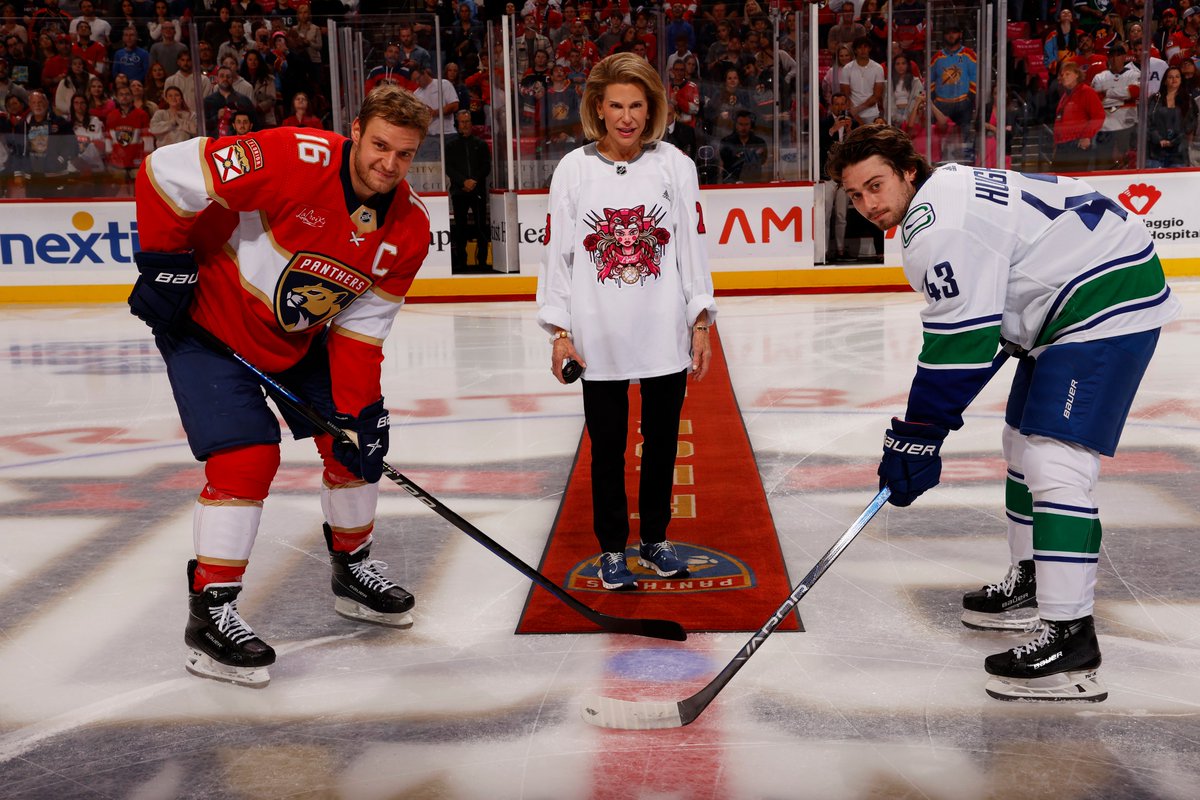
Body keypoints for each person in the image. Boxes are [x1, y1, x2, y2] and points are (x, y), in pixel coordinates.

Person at [826, 123, 1178, 703]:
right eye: (856, 195)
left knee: (1053, 460)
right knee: (1019, 440)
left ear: (908, 172)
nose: (868, 204)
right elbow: (991, 305)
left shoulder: (935, 227)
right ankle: (1034, 580)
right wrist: (923, 432)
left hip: (1105, 297)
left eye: (876, 185)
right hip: (1072, 291)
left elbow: (958, 348)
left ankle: (1071, 639)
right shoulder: (945, 190)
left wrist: (917, 437)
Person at [128, 84, 434, 688]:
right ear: (356, 131)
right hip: (208, 325)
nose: (388, 164)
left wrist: (357, 410)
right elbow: (166, 170)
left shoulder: (410, 228)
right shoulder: (293, 155)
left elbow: (362, 327)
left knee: (357, 445)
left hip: (298, 340)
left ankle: (353, 570)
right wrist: (165, 259)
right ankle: (210, 616)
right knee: (246, 458)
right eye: (379, 146)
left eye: (404, 154)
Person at [535, 52, 716, 591]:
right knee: (607, 449)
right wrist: (560, 334)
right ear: (597, 107)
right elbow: (559, 258)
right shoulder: (574, 168)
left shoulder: (675, 166)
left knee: (662, 443)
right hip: (598, 338)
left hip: (663, 332)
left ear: (652, 107)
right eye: (616, 105)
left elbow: (691, 251)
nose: (627, 117)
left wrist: (701, 322)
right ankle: (613, 547)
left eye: (637, 105)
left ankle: (655, 539)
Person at [445, 109, 491, 271]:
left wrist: (474, 181)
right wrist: (463, 181)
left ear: (472, 123)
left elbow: (486, 166)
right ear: (457, 124)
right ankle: (461, 262)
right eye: (462, 122)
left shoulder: (480, 144)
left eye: (467, 121)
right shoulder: (450, 146)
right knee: (461, 228)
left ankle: (483, 262)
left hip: (477, 191)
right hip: (459, 192)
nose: (465, 125)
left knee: (480, 227)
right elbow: (449, 168)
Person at [820, 92, 857, 262]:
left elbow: (855, 150)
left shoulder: (853, 123)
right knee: (825, 215)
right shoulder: (824, 123)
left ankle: (841, 249)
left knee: (842, 216)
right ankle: (824, 251)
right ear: (831, 105)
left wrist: (849, 131)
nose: (840, 107)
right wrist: (832, 130)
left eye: (843, 104)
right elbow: (819, 146)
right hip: (827, 176)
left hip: (845, 177)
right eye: (837, 104)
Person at [1090, 43, 1140, 169]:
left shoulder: (1134, 74)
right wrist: (1123, 98)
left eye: (1118, 56)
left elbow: (1134, 92)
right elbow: (1096, 99)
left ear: (1124, 57)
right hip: (1105, 126)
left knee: (1127, 160)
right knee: (1103, 162)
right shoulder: (1100, 77)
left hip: (1127, 124)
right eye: (1111, 56)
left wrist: (1107, 92)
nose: (1114, 59)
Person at [1052, 59, 1104, 173]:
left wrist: (1087, 136)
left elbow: (1099, 116)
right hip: (1062, 146)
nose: (1064, 77)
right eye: (1062, 75)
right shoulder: (1065, 96)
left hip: (1076, 144)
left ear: (1076, 75)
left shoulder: (1086, 92)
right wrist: (1056, 143)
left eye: (1067, 74)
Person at [1146, 65, 1197, 168]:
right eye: (1170, 77)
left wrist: (1173, 141)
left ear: (1181, 80)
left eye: (1177, 76)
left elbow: (1190, 125)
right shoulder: (1155, 99)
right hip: (1156, 152)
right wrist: (1159, 139)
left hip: (1179, 152)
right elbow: (1149, 122)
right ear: (1165, 81)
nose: (1174, 79)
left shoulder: (1188, 101)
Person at [841, 35, 885, 125]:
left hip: (872, 113)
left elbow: (877, 96)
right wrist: (854, 112)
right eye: (860, 47)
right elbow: (845, 94)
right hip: (852, 113)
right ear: (855, 50)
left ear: (869, 49)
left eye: (865, 47)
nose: (863, 50)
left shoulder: (878, 68)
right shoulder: (847, 68)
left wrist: (858, 109)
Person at [719, 108, 766, 183]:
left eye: (746, 124)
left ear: (751, 125)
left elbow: (763, 160)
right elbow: (726, 161)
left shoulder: (759, 142)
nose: (743, 128)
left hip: (753, 183)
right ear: (735, 125)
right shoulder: (726, 142)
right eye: (740, 124)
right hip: (731, 183)